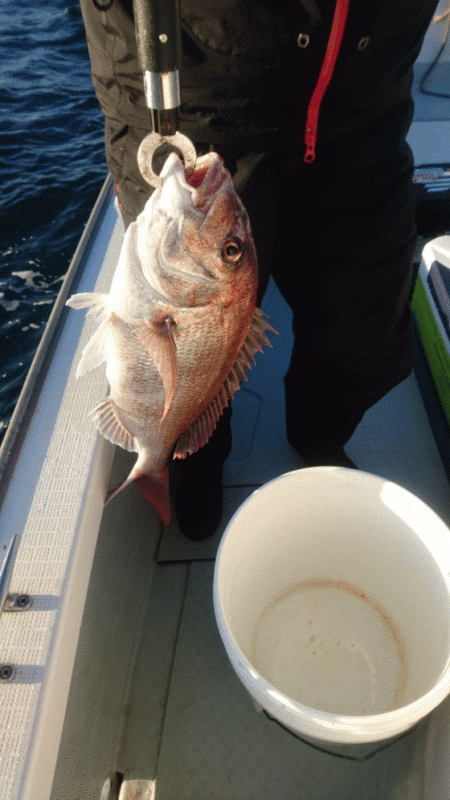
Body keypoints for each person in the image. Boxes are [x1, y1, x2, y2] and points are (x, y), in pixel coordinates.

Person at [79, 0, 438, 538]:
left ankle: (320, 436)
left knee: (365, 324)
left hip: (367, 86)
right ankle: (192, 460)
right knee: (197, 349)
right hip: (193, 83)